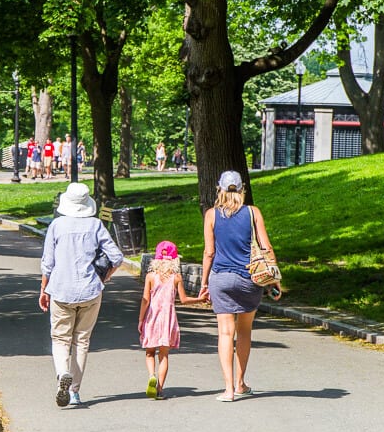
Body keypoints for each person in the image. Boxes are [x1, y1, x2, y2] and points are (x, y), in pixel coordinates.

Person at [199, 170, 281, 402]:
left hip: (221, 279)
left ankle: (228, 390)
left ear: (220, 189)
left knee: (225, 332)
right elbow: (266, 248)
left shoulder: (211, 215)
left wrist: (204, 283)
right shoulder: (253, 213)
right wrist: (274, 281)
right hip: (248, 279)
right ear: (242, 189)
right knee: (244, 330)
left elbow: (209, 252)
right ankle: (240, 382)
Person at [39, 183, 124, 407]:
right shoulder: (96, 225)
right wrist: (104, 278)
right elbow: (116, 256)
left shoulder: (57, 226)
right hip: (90, 290)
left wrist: (43, 289)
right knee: (82, 341)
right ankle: (75, 391)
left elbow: (48, 263)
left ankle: (62, 375)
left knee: (60, 338)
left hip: (61, 289)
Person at [139, 241, 206, 400]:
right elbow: (183, 300)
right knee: (164, 355)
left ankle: (151, 376)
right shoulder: (176, 277)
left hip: (152, 317)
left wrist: (141, 319)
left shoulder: (150, 277)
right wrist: (199, 299)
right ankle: (160, 389)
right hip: (168, 319)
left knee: (149, 352)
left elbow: (145, 300)